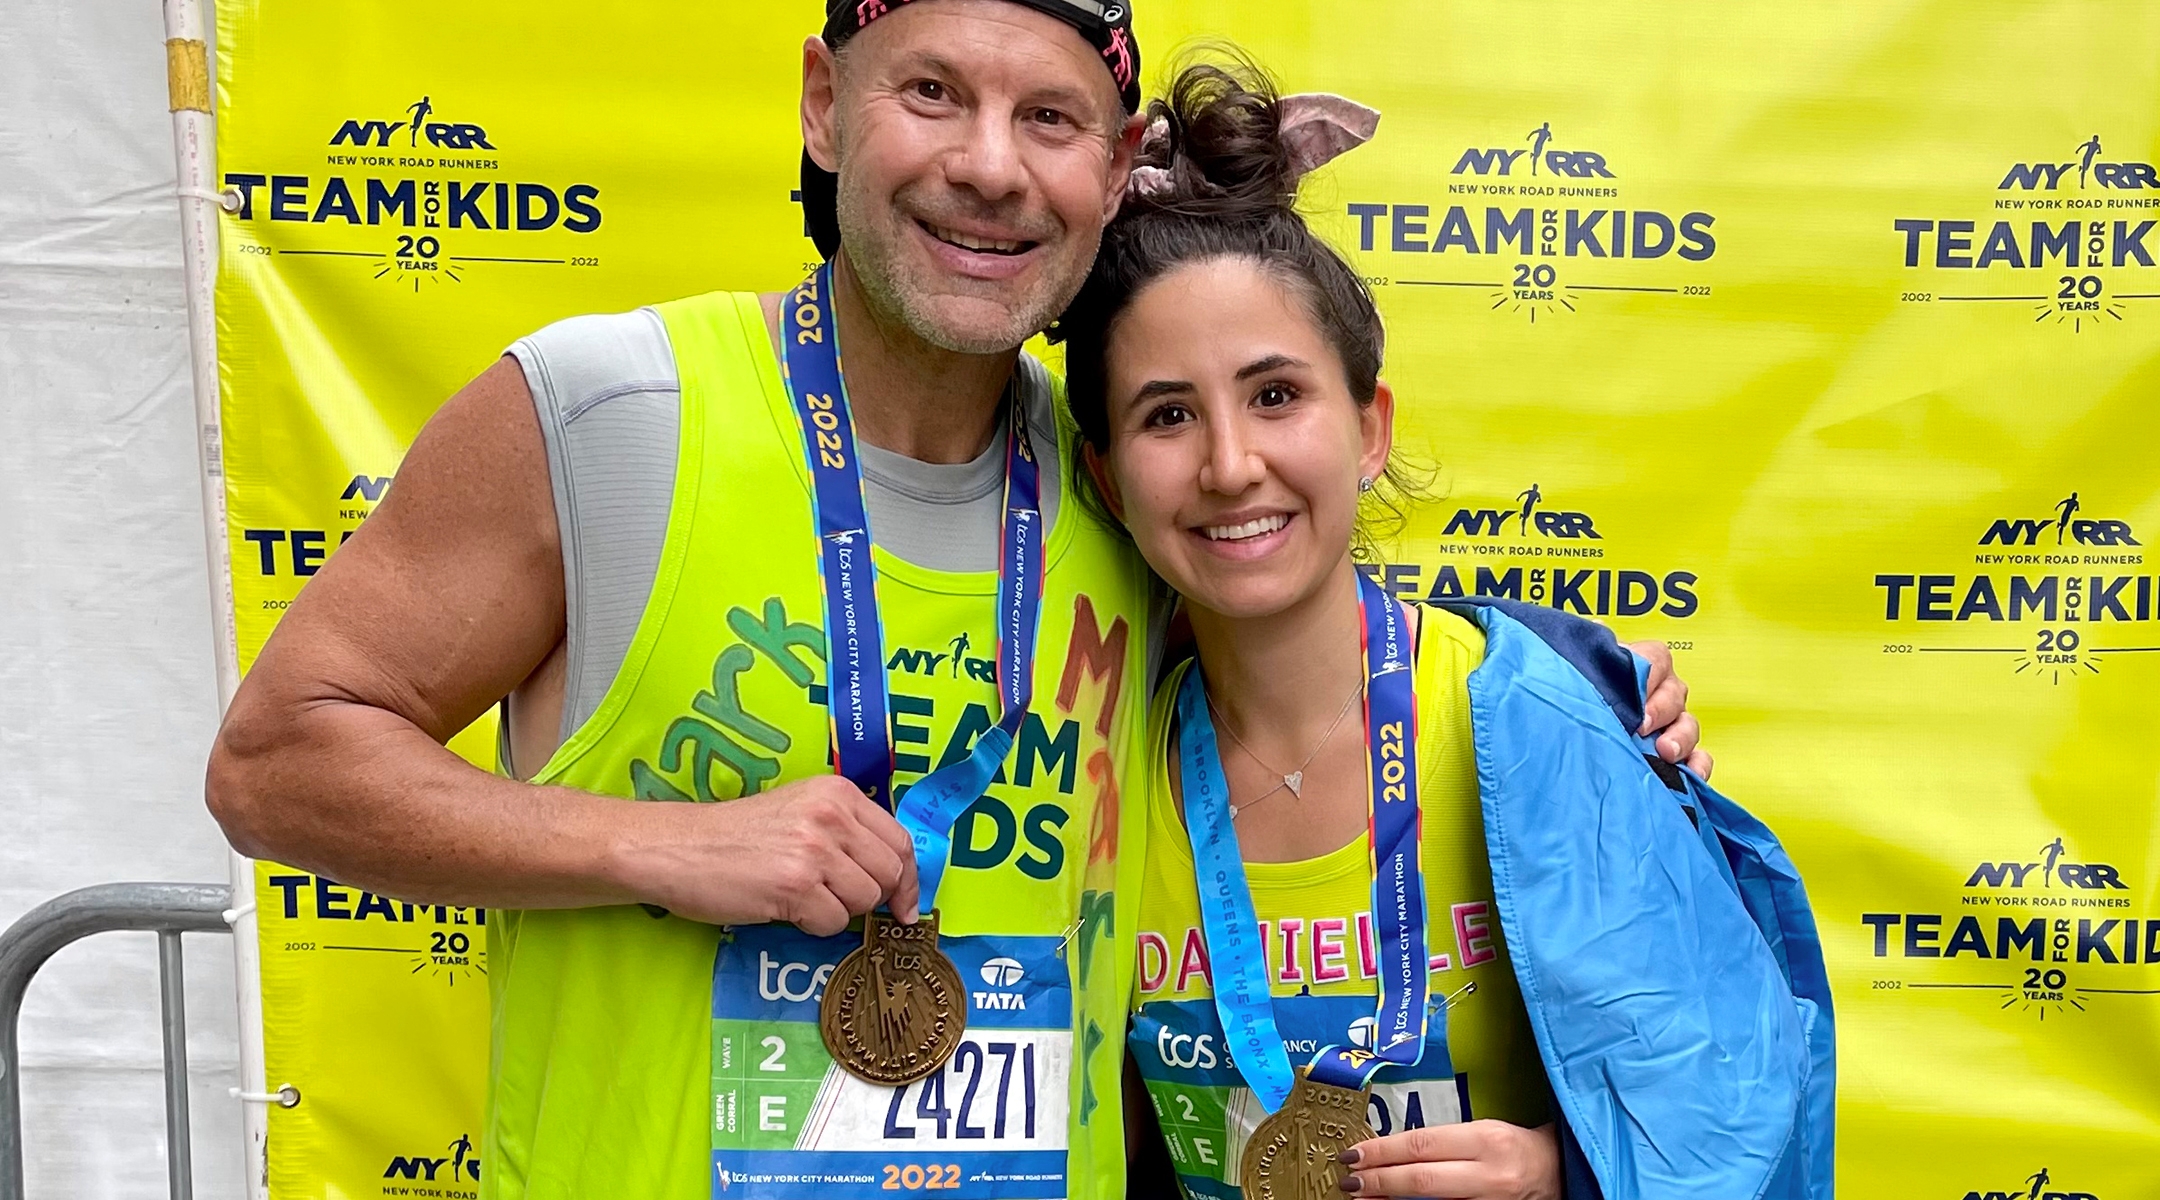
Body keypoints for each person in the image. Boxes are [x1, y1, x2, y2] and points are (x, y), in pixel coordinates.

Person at [204, 4, 1707, 1198]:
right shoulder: (616, 414)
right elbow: (275, 764)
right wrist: (659, 845)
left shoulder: (1126, 482)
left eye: (1048, 117)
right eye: (932, 93)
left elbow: (1315, 654)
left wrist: (1585, 696)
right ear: (822, 104)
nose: (990, 165)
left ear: (1112, 166)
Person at [1051, 62, 1830, 1200]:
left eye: (1276, 396)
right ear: (1108, 482)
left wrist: (1568, 1179)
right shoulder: (1095, 779)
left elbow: (1742, 1124)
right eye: (1168, 415)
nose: (1230, 465)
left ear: (1368, 428)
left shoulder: (1537, 719)